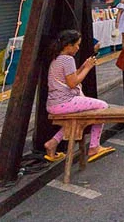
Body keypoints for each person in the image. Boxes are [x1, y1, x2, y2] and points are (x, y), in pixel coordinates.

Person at [44, 30, 113, 162]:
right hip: (64, 102)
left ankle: (52, 143)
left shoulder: (57, 58)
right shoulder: (68, 59)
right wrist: (87, 68)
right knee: (103, 107)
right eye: (76, 45)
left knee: (77, 120)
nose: (78, 48)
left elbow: (70, 76)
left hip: (54, 104)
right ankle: (94, 146)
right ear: (68, 45)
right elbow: (73, 83)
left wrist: (83, 67)